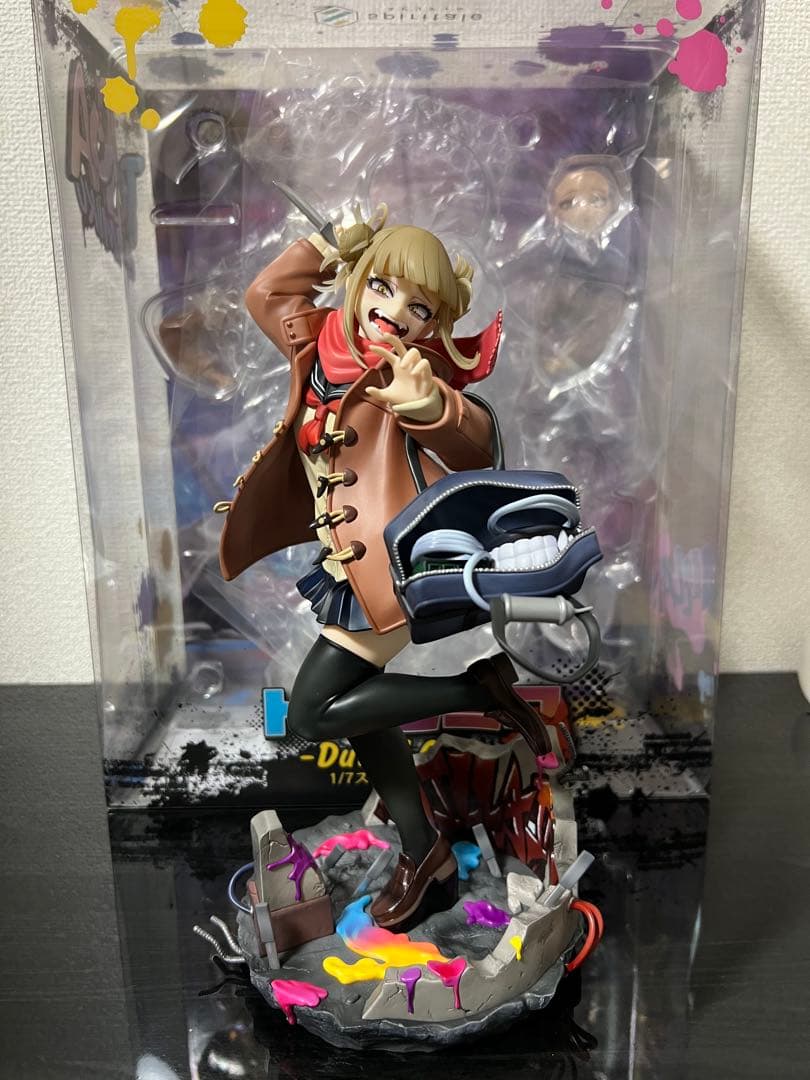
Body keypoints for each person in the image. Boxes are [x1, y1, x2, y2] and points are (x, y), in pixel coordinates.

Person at [218, 207, 551, 928]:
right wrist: (324, 245)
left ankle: (477, 688)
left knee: (310, 713)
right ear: (359, 280)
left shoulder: (410, 371)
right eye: (383, 288)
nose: (395, 313)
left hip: (390, 573)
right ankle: (426, 851)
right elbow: (265, 295)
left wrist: (429, 406)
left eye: (419, 308)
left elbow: (478, 442)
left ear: (433, 326)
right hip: (346, 566)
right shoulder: (323, 341)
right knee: (365, 719)